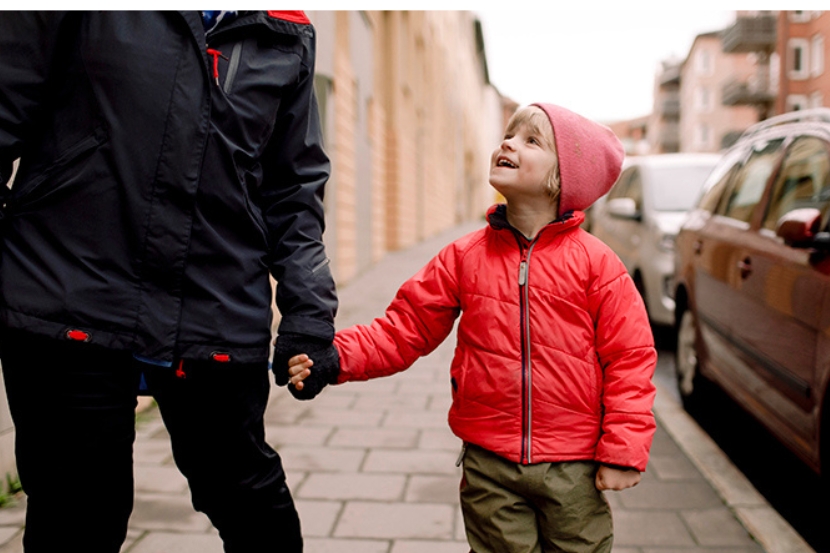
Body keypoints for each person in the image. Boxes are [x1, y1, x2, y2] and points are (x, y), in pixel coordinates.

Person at [0, 11, 339, 553]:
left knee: (256, 510)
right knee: (77, 516)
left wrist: (308, 315)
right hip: (68, 296)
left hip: (216, 306)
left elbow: (293, 193)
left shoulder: (285, 31)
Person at [289, 103, 658, 553]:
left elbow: (630, 359)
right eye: (509, 134)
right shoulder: (464, 257)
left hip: (574, 464)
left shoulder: (597, 265)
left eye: (531, 140)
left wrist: (623, 448)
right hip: (490, 462)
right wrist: (337, 357)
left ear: (563, 178)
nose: (508, 143)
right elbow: (405, 327)